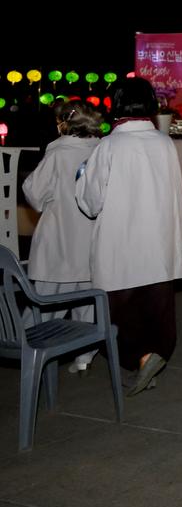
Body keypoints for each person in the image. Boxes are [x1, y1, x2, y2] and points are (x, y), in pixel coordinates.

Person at [76, 77, 182, 396]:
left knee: (119, 313)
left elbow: (91, 202)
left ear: (117, 104)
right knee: (156, 308)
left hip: (120, 242)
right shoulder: (164, 143)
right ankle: (150, 357)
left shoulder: (110, 145)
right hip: (160, 240)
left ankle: (141, 357)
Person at [21, 101, 104, 373]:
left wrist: (48, 203)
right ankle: (84, 355)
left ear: (63, 124)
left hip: (58, 237)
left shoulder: (56, 154)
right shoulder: (102, 151)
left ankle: (27, 348)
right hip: (91, 236)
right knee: (87, 297)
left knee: (45, 300)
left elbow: (33, 191)